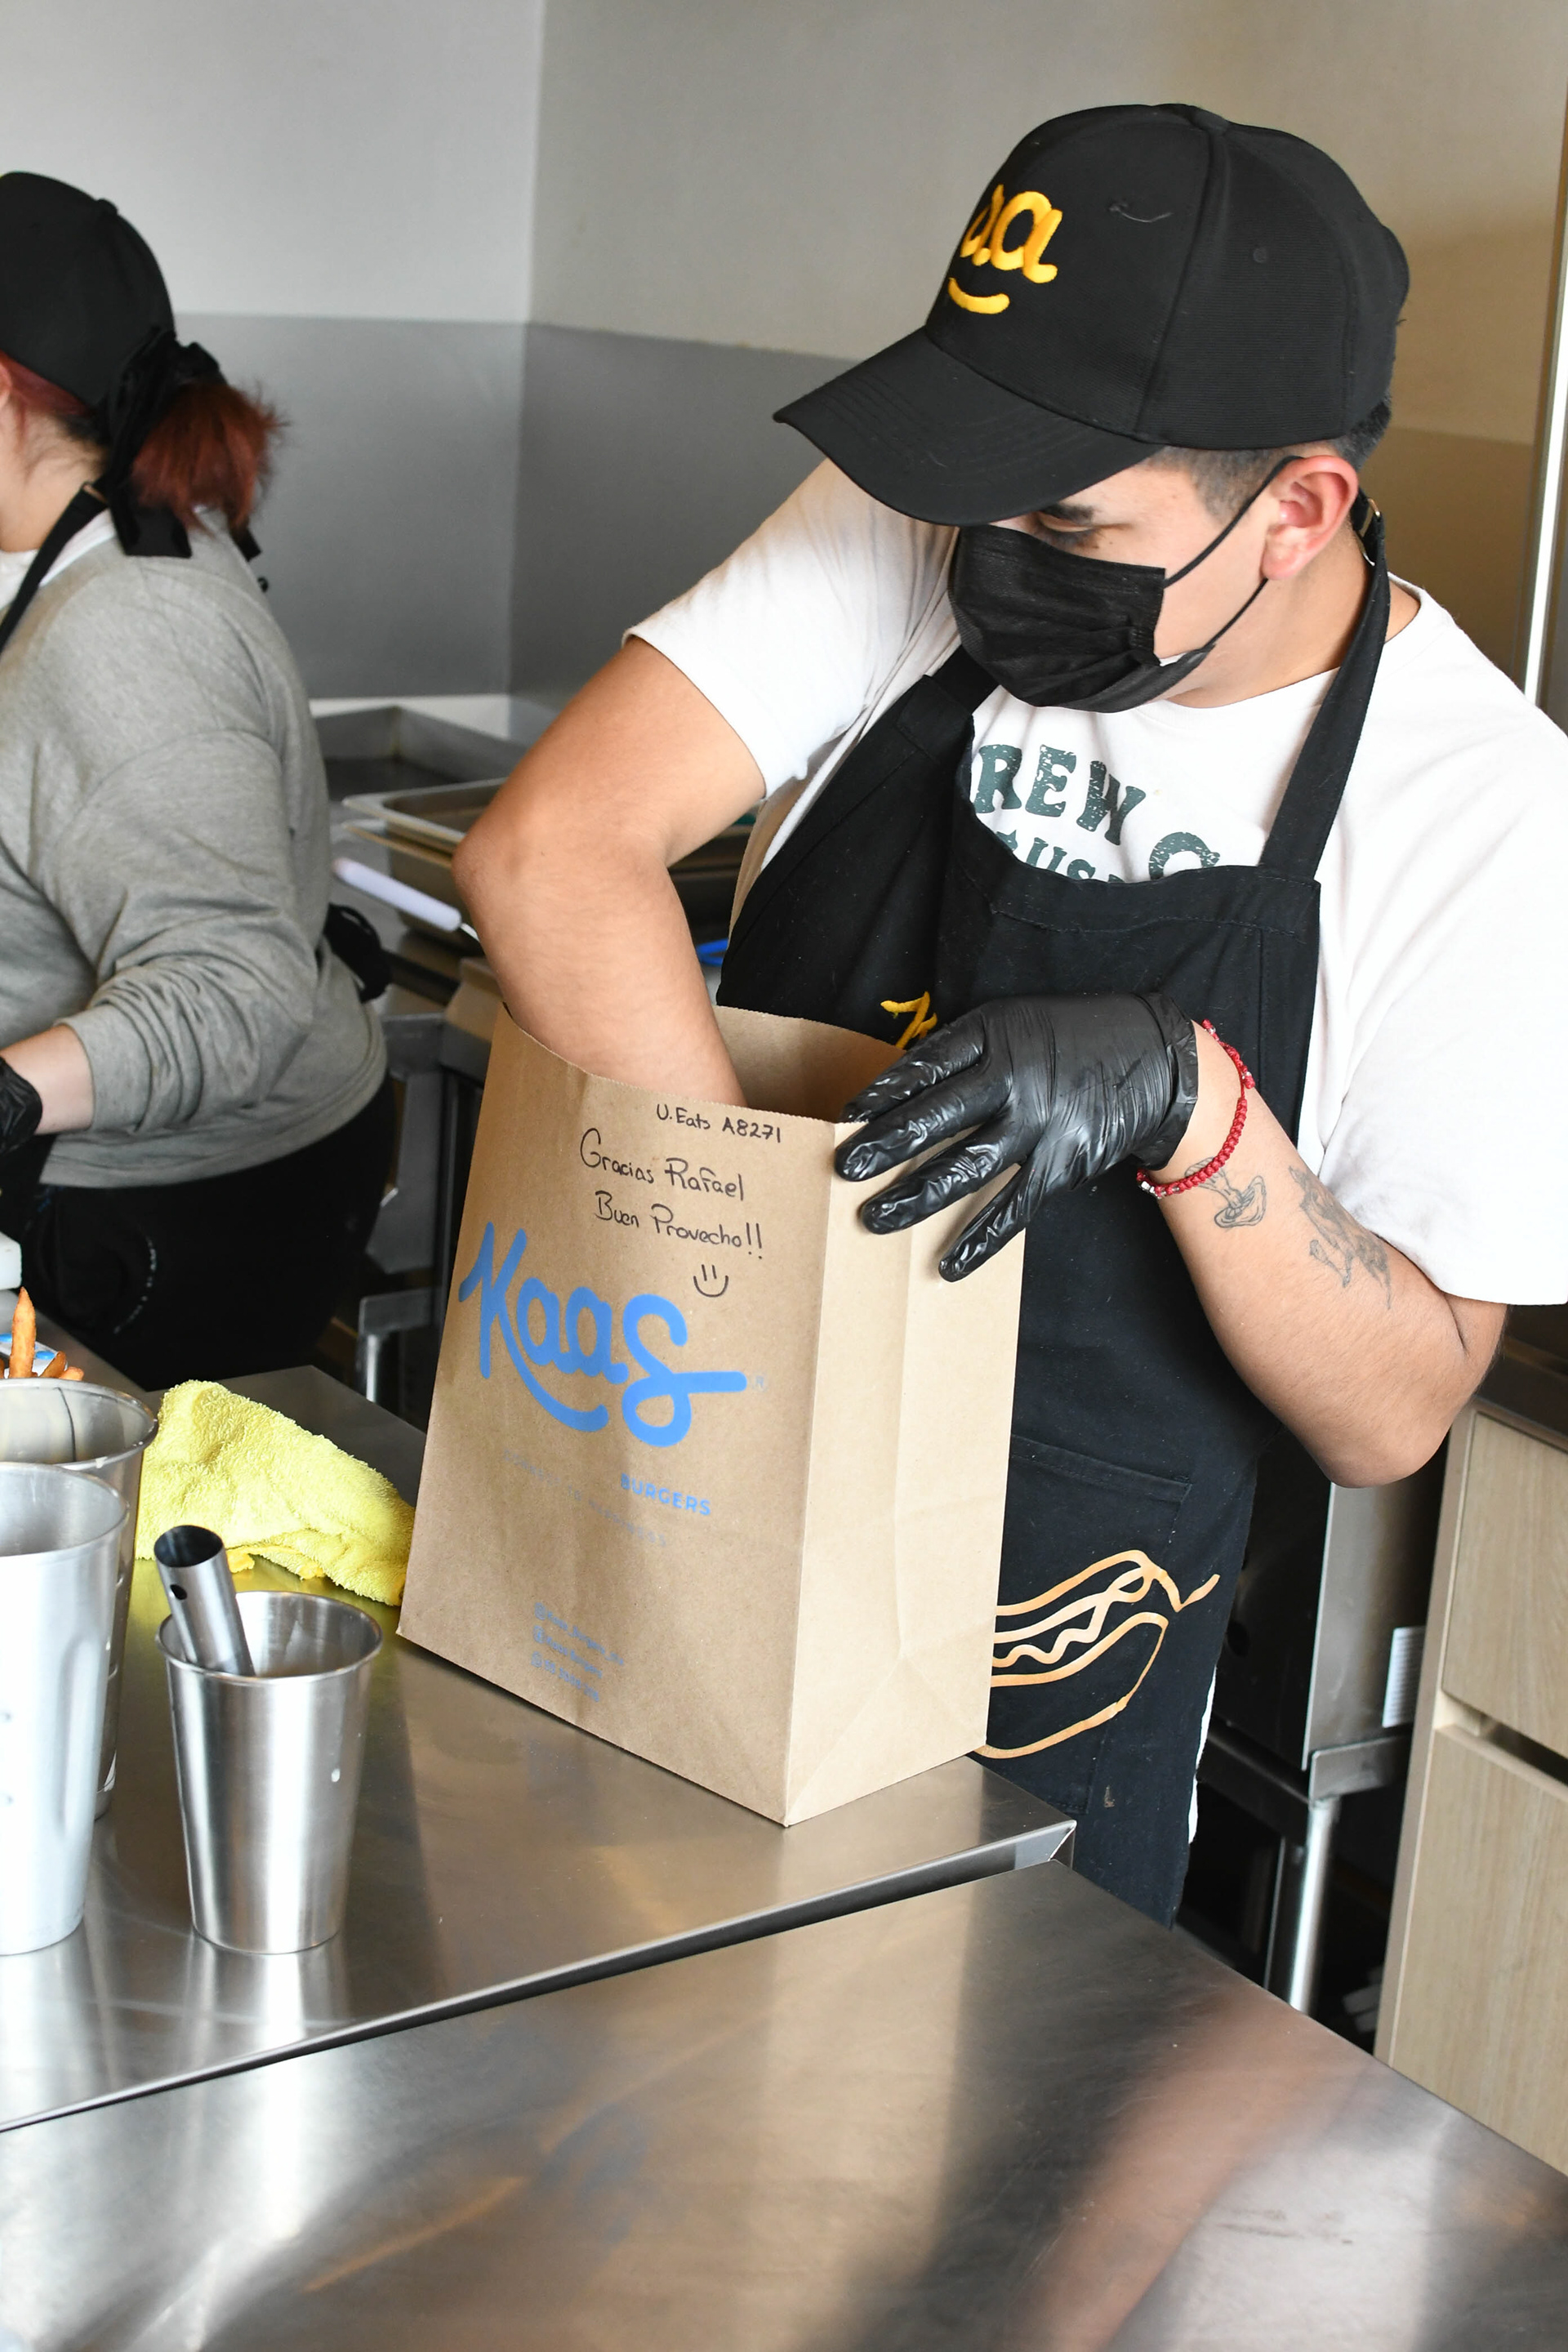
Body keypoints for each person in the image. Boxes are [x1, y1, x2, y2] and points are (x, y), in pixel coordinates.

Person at [455, 105, 1568, 1924]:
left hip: (1048, 1692)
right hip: (683, 1508)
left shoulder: (1481, 815)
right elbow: (548, 856)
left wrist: (1197, 1113)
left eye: (1065, 515)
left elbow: (1396, 1410)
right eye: (971, 479)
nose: (977, 539)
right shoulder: (921, 519)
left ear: (1296, 509)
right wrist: (760, 1351)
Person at [0, 173, 391, 1391]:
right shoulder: (110, 536)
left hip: (165, 1217)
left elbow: (233, 991)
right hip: (171, 1186)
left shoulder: (125, 629)